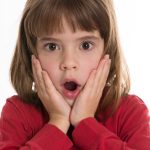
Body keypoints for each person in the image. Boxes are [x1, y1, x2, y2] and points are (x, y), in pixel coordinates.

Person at [0, 0, 150, 149]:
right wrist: (58, 122)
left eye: (86, 45)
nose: (69, 63)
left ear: (106, 51)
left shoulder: (129, 112)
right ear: (32, 53)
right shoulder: (18, 113)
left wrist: (85, 123)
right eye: (52, 46)